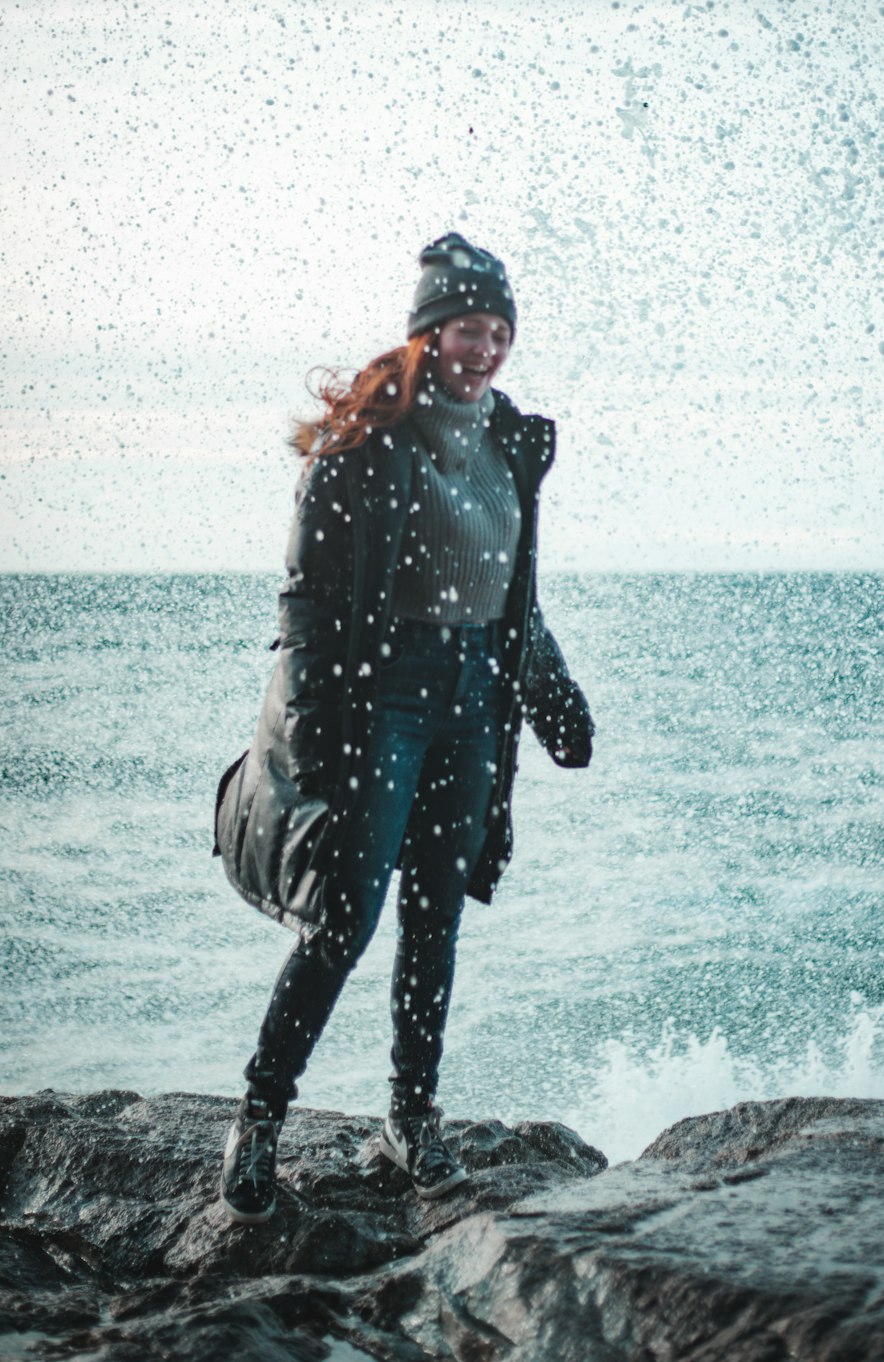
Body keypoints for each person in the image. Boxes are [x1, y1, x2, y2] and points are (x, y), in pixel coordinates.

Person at [213, 233, 594, 1220]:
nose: (489, 347)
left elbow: (511, 597)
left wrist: (552, 697)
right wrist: (312, 737)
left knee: (435, 918)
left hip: (473, 701)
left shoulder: (510, 441)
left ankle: (410, 1122)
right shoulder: (365, 446)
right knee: (344, 916)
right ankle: (259, 1118)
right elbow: (304, 606)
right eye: (471, 327)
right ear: (431, 332)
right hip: (384, 697)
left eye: (501, 330)